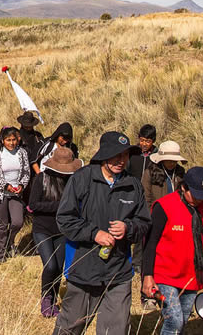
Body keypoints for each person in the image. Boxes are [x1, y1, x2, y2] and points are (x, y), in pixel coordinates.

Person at [53, 131, 151, 335]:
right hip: (83, 269)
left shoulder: (133, 185)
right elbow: (64, 218)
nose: (121, 160)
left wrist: (128, 228)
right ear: (103, 155)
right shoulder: (83, 178)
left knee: (115, 331)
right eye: (116, 155)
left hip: (119, 272)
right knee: (69, 329)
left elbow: (144, 223)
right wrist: (94, 233)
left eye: (125, 155)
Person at [142, 167, 203, 335]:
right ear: (184, 188)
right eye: (196, 194)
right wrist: (147, 276)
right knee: (174, 320)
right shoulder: (164, 206)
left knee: (182, 320)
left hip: (191, 275)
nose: (200, 200)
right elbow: (150, 242)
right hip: (165, 274)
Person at [28, 147, 82, 318]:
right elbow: (33, 205)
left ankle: (52, 299)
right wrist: (60, 206)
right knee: (50, 265)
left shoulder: (73, 181)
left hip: (62, 230)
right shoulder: (41, 179)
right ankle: (45, 297)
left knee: (58, 267)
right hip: (42, 229)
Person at [0, 127, 30, 262]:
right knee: (2, 224)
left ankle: (9, 241)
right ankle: (0, 252)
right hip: (0, 194)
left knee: (17, 222)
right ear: (2, 141)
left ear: (17, 139)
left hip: (15, 194)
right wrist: (4, 185)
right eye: (8, 140)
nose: (11, 143)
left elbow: (26, 172)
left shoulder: (22, 153)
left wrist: (21, 185)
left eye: (13, 140)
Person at [142, 140, 187, 208]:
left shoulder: (180, 172)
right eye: (169, 160)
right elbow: (146, 198)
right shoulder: (150, 173)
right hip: (156, 213)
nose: (172, 163)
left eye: (174, 161)